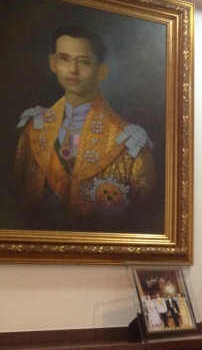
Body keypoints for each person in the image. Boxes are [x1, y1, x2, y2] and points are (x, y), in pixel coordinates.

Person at [13, 25, 156, 232]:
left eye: (84, 62)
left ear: (102, 71)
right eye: (64, 58)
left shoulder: (129, 142)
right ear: (53, 63)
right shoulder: (34, 127)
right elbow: (16, 193)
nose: (73, 70)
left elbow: (144, 215)